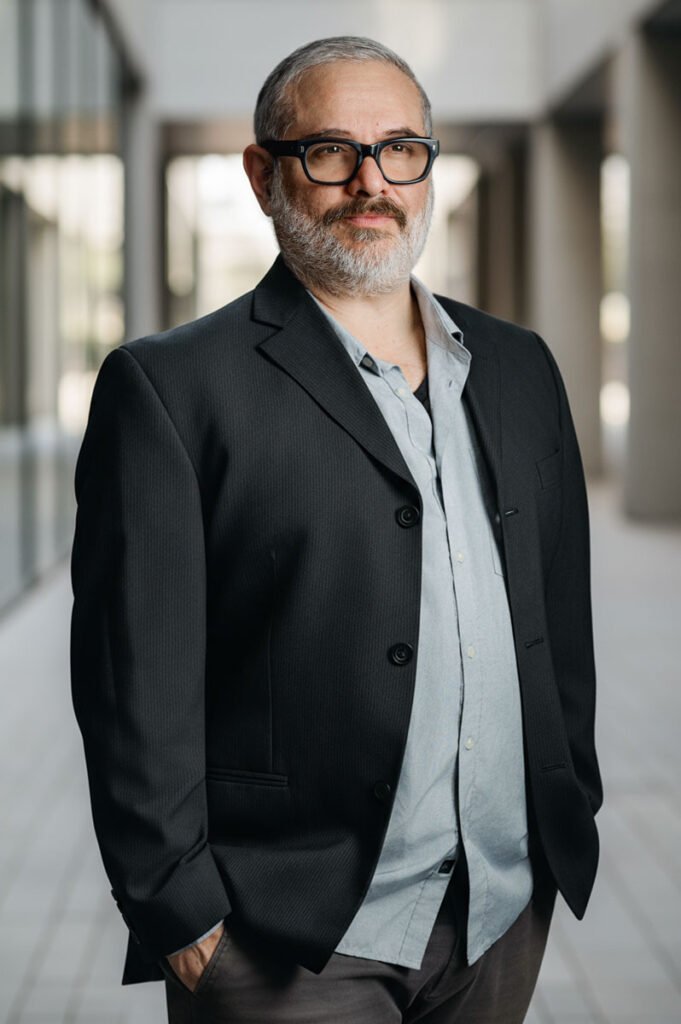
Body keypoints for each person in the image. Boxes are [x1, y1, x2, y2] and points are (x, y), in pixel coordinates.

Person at [70, 35, 602, 1024]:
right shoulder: (172, 389)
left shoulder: (520, 367)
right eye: (330, 151)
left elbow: (557, 615)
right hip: (284, 937)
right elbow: (130, 674)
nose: (371, 181)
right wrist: (178, 908)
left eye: (400, 148)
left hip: (498, 908)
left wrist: (570, 794)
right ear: (262, 173)